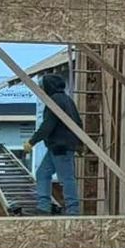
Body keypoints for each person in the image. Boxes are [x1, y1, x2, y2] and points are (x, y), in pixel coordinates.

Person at [27, 72, 82, 215]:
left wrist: (32, 142)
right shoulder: (67, 99)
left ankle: (73, 210)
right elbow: (78, 122)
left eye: (42, 87)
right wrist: (79, 144)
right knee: (42, 173)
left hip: (60, 146)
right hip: (57, 146)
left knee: (66, 178)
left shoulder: (55, 100)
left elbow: (48, 125)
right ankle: (44, 206)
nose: (41, 90)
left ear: (48, 87)